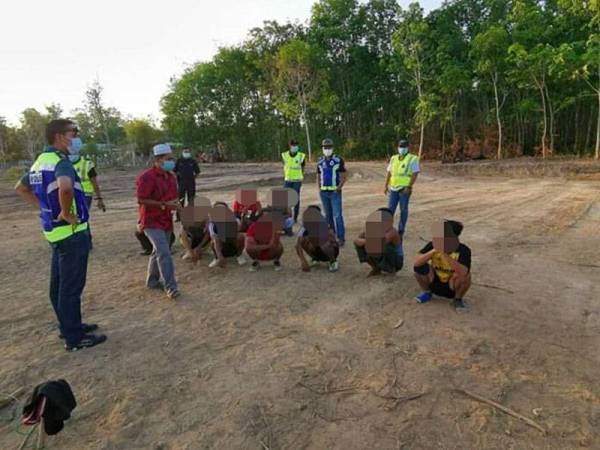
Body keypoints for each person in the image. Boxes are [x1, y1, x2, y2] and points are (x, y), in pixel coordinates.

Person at [15, 119, 107, 351]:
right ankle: (74, 338)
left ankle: (68, 326)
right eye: (72, 133)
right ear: (59, 136)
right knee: (71, 287)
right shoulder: (60, 162)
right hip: (71, 232)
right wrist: (65, 212)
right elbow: (65, 187)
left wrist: (43, 208)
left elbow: (20, 187)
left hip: (54, 233)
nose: (75, 138)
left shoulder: (39, 162)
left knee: (58, 286)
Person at [136, 143, 180, 299]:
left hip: (166, 219)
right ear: (158, 160)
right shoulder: (146, 177)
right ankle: (171, 286)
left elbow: (173, 198)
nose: (172, 161)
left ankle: (152, 281)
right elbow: (141, 199)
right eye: (169, 159)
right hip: (150, 221)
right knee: (164, 252)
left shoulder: (171, 177)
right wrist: (163, 204)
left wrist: (177, 206)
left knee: (158, 251)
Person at [413, 220, 472, 313]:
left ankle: (457, 299)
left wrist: (445, 254)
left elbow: (463, 272)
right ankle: (427, 292)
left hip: (452, 285)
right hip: (434, 281)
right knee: (419, 268)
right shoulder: (433, 244)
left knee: (465, 276)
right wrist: (434, 250)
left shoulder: (463, 250)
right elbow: (416, 262)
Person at [69, 132, 105, 249]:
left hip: (85, 195)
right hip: (69, 195)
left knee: (82, 217)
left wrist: (99, 198)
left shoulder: (87, 164)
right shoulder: (62, 163)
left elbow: (95, 182)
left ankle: (86, 242)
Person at [384, 138, 420, 235]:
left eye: (404, 147)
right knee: (390, 210)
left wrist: (409, 186)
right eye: (401, 147)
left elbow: (415, 173)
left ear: (408, 148)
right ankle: (388, 228)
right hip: (393, 188)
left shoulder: (412, 158)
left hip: (404, 189)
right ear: (397, 148)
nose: (402, 149)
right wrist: (385, 185)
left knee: (403, 210)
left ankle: (401, 229)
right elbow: (389, 172)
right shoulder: (393, 158)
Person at [354, 208, 403, 276]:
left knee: (386, 247)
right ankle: (376, 268)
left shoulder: (392, 232)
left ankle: (391, 269)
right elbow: (358, 239)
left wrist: (365, 241)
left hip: (396, 260)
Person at [317, 138, 347, 245]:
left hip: (335, 192)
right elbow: (318, 176)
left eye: (329, 147)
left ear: (332, 148)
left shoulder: (339, 160)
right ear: (322, 148)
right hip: (324, 193)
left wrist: (338, 188)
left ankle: (341, 238)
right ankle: (331, 236)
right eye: (325, 147)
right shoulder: (320, 161)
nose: (327, 149)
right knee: (328, 216)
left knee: (338, 215)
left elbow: (344, 175)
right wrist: (319, 189)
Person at [296, 205, 340, 272]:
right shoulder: (304, 226)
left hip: (331, 251)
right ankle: (315, 258)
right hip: (317, 250)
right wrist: (303, 261)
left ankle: (332, 261)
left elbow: (332, 241)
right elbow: (297, 245)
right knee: (303, 240)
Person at [207, 202, 246, 268]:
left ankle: (239, 255)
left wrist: (243, 217)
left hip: (232, 243)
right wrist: (220, 256)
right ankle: (217, 258)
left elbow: (240, 230)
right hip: (220, 245)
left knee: (240, 237)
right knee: (213, 242)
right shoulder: (212, 223)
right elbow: (214, 239)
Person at [282, 139, 306, 223]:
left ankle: (295, 218)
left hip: (297, 181)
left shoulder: (301, 156)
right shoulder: (284, 155)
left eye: (296, 145)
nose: (295, 146)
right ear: (289, 146)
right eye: (293, 145)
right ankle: (286, 216)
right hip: (288, 180)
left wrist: (300, 176)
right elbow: (285, 166)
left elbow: (303, 167)